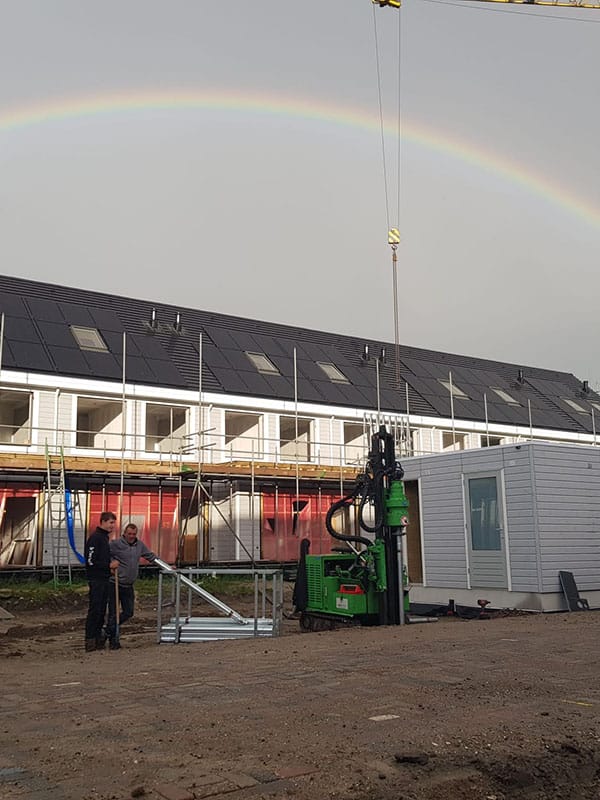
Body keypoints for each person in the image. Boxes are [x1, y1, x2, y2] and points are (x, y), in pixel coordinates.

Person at [105, 522, 157, 650]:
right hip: (115, 583)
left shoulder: (139, 545)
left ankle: (106, 631)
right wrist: (110, 563)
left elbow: (150, 556)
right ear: (124, 533)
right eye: (129, 534)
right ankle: (113, 641)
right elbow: (104, 555)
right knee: (113, 613)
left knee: (128, 612)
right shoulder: (116, 544)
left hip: (128, 585)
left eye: (134, 534)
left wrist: (166, 565)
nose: (132, 536)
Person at [84, 511, 119, 652]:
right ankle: (90, 639)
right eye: (111, 523)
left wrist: (108, 570)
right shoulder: (95, 538)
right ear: (103, 522)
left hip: (104, 578)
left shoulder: (104, 539)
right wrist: (108, 566)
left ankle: (98, 638)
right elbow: (91, 561)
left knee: (101, 611)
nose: (112, 526)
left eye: (113, 523)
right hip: (96, 579)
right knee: (95, 610)